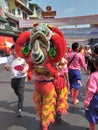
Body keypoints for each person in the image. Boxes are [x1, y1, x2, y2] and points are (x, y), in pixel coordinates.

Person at [4, 45, 29, 117]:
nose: (15, 52)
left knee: (20, 91)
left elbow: (27, 66)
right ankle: (20, 97)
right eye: (13, 50)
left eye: (16, 50)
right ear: (11, 51)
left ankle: (19, 108)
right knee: (14, 88)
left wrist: (25, 70)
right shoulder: (9, 58)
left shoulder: (23, 59)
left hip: (21, 77)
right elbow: (7, 65)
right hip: (13, 77)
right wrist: (7, 67)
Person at [54, 55, 69, 123]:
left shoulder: (51, 60)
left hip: (53, 80)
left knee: (53, 97)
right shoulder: (64, 61)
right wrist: (68, 82)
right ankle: (59, 111)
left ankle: (52, 111)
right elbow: (65, 73)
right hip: (61, 81)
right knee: (61, 97)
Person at [84, 56, 98, 130]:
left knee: (92, 115)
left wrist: (86, 102)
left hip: (95, 99)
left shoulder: (94, 75)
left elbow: (91, 90)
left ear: (95, 65)